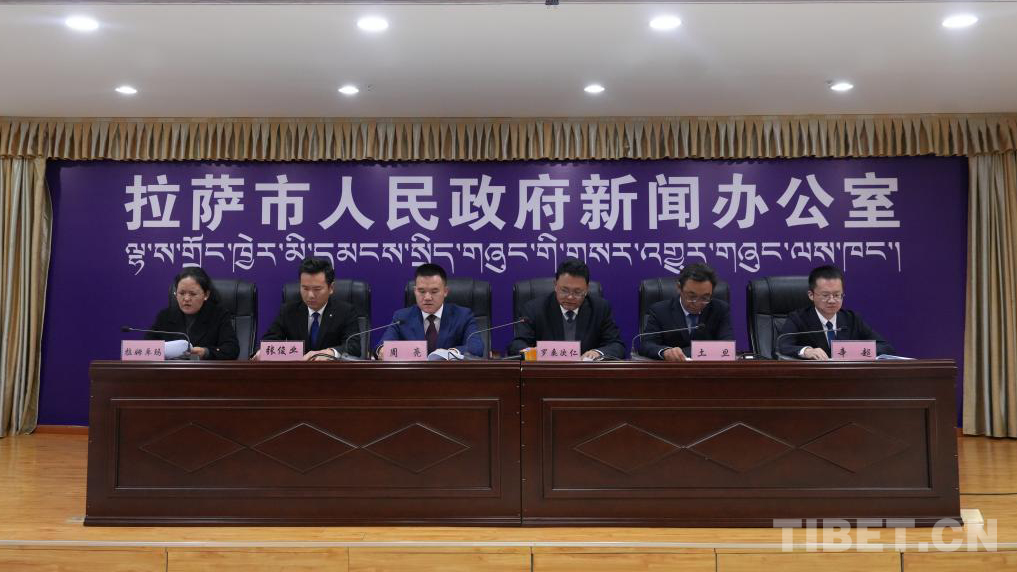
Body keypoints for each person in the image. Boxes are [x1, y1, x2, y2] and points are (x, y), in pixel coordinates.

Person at [509, 258, 625, 360]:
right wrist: (535, 353)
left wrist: (597, 353)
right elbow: (517, 345)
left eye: (577, 292)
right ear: (555, 285)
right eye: (564, 290)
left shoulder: (600, 308)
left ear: (587, 289)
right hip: (546, 374)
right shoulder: (534, 309)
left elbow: (617, 346)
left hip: (586, 375)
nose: (570, 297)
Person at [777, 264, 895, 360]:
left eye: (837, 295)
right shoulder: (798, 318)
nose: (832, 300)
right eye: (825, 295)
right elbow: (782, 346)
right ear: (811, 295)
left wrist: (854, 351)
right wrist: (807, 351)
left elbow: (885, 347)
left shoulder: (852, 319)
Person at [260, 257, 362, 360]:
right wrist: (263, 352)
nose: (310, 295)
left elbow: (354, 347)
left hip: (331, 369)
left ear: (331, 288)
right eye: (305, 288)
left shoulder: (345, 312)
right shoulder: (288, 311)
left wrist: (329, 353)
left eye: (317, 289)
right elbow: (267, 342)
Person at [376, 263, 484, 359]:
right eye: (421, 291)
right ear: (415, 291)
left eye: (434, 291)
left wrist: (451, 354)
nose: (427, 297)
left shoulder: (463, 316)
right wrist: (382, 350)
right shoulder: (402, 317)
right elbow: (382, 346)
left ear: (445, 291)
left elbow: (477, 347)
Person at [640, 263, 734, 361]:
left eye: (705, 298)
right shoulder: (660, 311)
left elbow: (727, 347)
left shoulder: (720, 309)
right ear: (679, 288)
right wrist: (665, 352)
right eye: (692, 296)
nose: (697, 303)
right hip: (672, 369)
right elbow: (647, 345)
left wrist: (684, 352)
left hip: (708, 369)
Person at [147, 266, 239, 360]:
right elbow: (147, 348)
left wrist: (206, 352)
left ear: (206, 295)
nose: (186, 299)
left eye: (193, 294)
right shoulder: (165, 316)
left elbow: (232, 349)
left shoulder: (219, 316)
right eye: (181, 293)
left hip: (204, 368)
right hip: (172, 368)